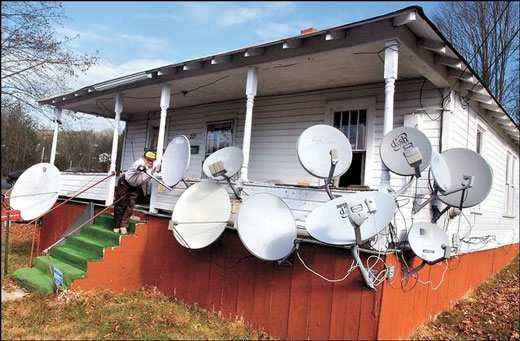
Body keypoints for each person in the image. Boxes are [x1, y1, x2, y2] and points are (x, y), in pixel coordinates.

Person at [113, 150, 159, 234]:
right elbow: (138, 167)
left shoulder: (153, 167)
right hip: (125, 183)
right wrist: (142, 168)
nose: (150, 162)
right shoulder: (139, 163)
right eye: (148, 160)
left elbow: (153, 173)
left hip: (135, 186)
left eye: (152, 160)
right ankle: (116, 226)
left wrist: (155, 171)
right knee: (121, 204)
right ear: (144, 159)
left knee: (130, 206)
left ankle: (123, 226)